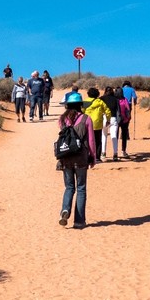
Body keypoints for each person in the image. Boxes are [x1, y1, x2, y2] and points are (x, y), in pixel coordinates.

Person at [56, 90, 97, 228]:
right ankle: (79, 221)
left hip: (65, 157)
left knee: (69, 187)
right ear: (80, 104)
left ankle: (65, 209)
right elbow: (91, 140)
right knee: (81, 188)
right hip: (81, 158)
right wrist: (93, 158)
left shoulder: (62, 119)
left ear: (67, 105)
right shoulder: (86, 119)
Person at [84, 87, 109, 161]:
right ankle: (97, 157)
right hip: (98, 124)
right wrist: (108, 120)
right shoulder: (100, 102)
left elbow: (81, 111)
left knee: (87, 140)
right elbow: (107, 111)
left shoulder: (85, 102)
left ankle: (88, 156)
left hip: (87, 123)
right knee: (98, 141)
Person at [101, 85, 122, 161]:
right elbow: (118, 110)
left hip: (104, 118)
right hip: (113, 118)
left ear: (105, 91)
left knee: (104, 136)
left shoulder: (101, 99)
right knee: (114, 137)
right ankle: (115, 154)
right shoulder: (116, 99)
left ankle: (103, 153)